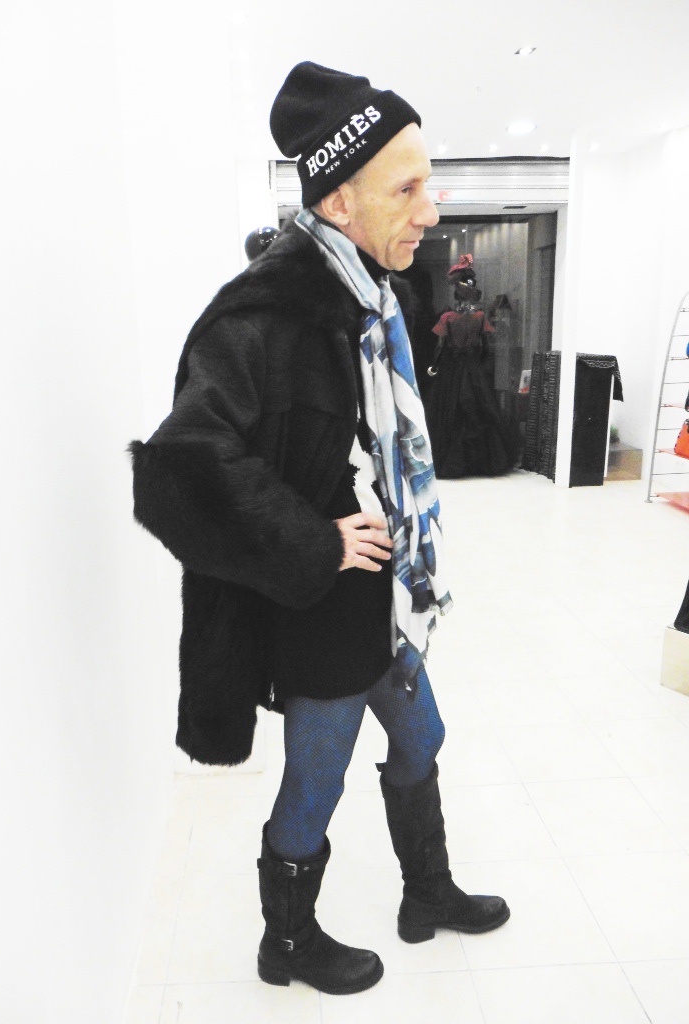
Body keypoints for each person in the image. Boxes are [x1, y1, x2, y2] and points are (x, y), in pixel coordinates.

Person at [128, 60, 509, 998]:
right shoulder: (262, 315)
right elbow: (181, 470)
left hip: (385, 591)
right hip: (323, 601)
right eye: (407, 190)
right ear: (340, 201)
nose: (431, 210)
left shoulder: (373, 294)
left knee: (423, 735)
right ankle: (288, 943)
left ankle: (427, 892)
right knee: (317, 780)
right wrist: (317, 540)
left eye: (429, 183)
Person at [425, 254, 518, 478]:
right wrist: (480, 366)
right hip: (473, 368)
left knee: (452, 412)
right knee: (478, 410)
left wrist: (434, 367)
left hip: (452, 369)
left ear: (457, 293)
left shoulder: (448, 317)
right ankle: (483, 462)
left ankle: (453, 461)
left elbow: (441, 346)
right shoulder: (479, 317)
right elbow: (485, 347)